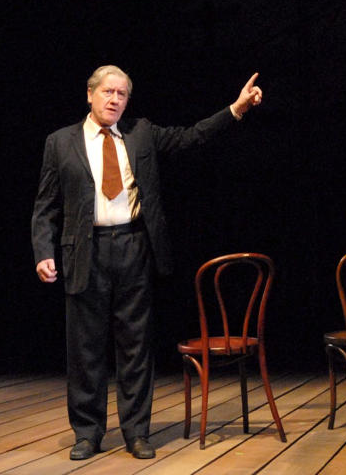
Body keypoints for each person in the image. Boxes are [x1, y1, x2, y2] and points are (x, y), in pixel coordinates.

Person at [31, 65, 263, 460]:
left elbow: (192, 137)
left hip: (134, 247)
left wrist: (236, 109)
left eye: (122, 94)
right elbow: (45, 206)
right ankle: (87, 433)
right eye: (107, 92)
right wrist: (44, 252)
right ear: (90, 94)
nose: (114, 100)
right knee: (84, 350)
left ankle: (137, 431)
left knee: (135, 347)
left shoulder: (141, 133)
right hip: (85, 251)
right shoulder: (60, 142)